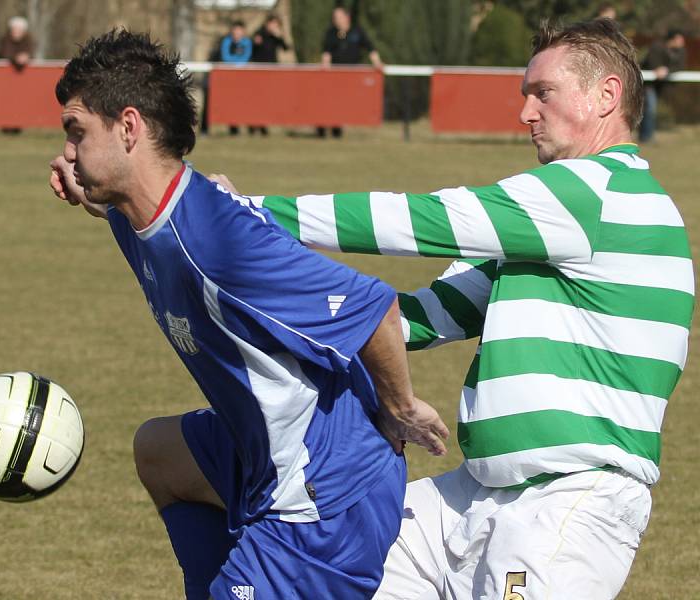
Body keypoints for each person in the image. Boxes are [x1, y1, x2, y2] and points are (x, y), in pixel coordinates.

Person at [212, 18, 694, 599]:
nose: (526, 114)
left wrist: (245, 213)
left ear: (607, 96)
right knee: (335, 559)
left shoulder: (597, 191)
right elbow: (418, 318)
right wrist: (278, 304)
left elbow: (422, 220)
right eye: (525, 96)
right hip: (475, 495)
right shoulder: (554, 224)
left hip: (569, 502)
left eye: (543, 93)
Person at [47, 29, 450, 600]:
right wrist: (79, 176)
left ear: (130, 128)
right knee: (159, 452)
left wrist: (400, 408)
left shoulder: (218, 242)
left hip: (325, 495)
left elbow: (375, 308)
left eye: (76, 133)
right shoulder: (143, 213)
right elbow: (112, 201)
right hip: (264, 450)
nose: (66, 150)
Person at [318, 6, 383, 138]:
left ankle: (337, 127)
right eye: (334, 17)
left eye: (338, 17)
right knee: (329, 102)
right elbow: (326, 53)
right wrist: (325, 69)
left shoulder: (357, 31)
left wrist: (377, 63)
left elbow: (370, 48)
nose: (336, 20)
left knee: (343, 103)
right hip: (335, 75)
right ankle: (322, 127)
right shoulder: (331, 33)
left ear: (347, 17)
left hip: (352, 76)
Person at [639, 29, 686, 143]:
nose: (682, 42)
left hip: (661, 85)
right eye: (680, 39)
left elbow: (680, 66)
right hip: (648, 83)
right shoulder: (657, 47)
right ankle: (646, 137)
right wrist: (657, 68)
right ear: (672, 39)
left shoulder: (681, 51)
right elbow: (651, 63)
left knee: (650, 109)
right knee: (650, 108)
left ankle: (646, 135)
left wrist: (667, 70)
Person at [249, 14, 290, 135]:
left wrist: (279, 35)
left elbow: (286, 47)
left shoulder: (275, 37)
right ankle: (253, 125)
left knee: (266, 100)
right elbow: (252, 47)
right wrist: (255, 43)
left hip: (271, 71)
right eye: (273, 24)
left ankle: (263, 125)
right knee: (257, 100)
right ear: (268, 23)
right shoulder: (259, 33)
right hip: (258, 72)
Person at [220, 20, 252, 136]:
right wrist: (236, 63)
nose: (237, 33)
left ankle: (251, 127)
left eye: (239, 30)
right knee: (230, 102)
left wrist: (236, 64)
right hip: (229, 78)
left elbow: (246, 57)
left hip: (244, 78)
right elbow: (225, 57)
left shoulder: (247, 42)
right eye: (235, 30)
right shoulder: (226, 42)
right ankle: (233, 128)